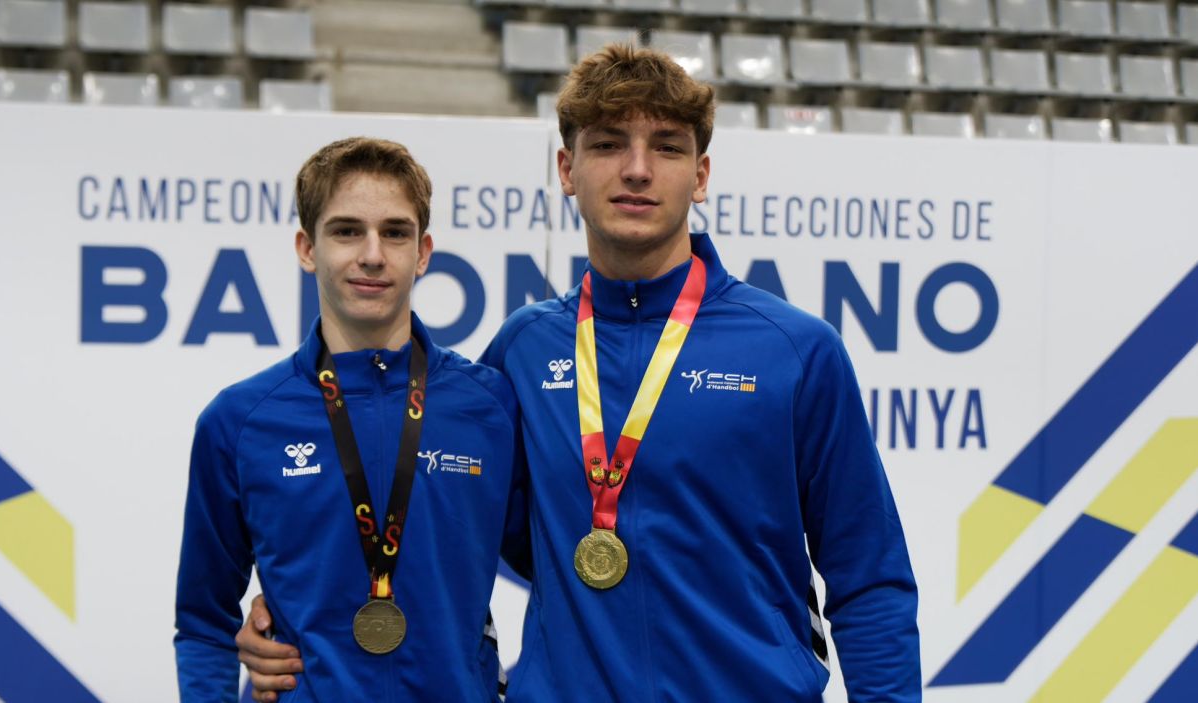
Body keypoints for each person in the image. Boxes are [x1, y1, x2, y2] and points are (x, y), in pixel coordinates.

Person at [239, 45, 920, 702]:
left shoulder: (794, 351)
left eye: (667, 147)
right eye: (608, 144)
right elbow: (430, 509)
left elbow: (870, 577)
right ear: (567, 168)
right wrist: (290, 610)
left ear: (701, 175)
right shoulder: (523, 350)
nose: (637, 169)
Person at [174, 137, 525, 701]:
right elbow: (202, 622)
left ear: (423, 252)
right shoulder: (239, 422)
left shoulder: (491, 406)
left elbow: (561, 572)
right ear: (307, 248)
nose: (372, 255)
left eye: (395, 232)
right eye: (346, 231)